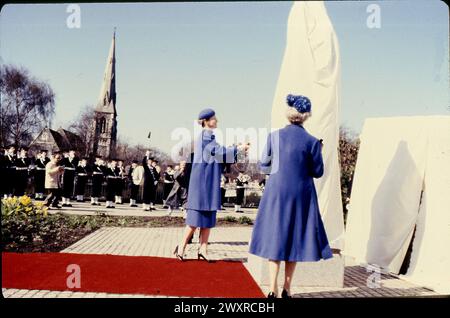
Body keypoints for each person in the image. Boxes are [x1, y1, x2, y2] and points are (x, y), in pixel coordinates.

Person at [249, 94, 333, 298]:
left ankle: (271, 289)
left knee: (276, 237)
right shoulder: (312, 142)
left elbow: (264, 165)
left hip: (276, 192)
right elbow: (318, 172)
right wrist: (318, 151)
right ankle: (287, 288)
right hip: (300, 193)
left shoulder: (273, 136)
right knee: (294, 238)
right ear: (306, 116)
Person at [173, 108, 249, 261]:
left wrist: (241, 152)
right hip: (202, 183)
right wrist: (238, 148)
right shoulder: (205, 137)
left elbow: (224, 158)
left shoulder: (210, 137)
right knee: (195, 219)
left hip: (208, 182)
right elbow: (220, 152)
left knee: (208, 218)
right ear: (205, 122)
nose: (217, 120)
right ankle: (181, 248)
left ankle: (203, 250)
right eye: (214, 119)